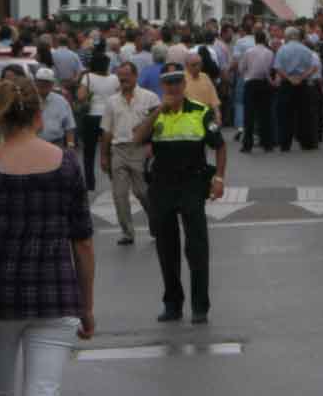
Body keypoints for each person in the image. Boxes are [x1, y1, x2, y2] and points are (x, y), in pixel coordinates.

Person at [0, 79, 95, 396]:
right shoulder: (67, 164)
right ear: (38, 116)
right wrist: (87, 305)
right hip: (56, 295)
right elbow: (82, 241)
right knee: (43, 389)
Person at [135, 63, 226, 325]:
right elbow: (137, 138)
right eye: (168, 84)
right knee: (166, 248)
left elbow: (219, 146)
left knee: (196, 247)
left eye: (177, 83)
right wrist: (157, 113)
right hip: (162, 185)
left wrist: (218, 178)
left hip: (191, 183)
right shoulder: (157, 113)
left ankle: (200, 307)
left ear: (184, 86)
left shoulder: (201, 112)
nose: (173, 88)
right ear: (163, 87)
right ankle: (172, 304)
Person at [100, 62, 160, 245]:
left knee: (143, 192)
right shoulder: (112, 101)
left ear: (135, 76)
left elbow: (159, 126)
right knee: (119, 195)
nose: (123, 79)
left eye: (126, 76)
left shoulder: (150, 98)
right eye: (120, 77)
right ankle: (127, 233)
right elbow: (107, 131)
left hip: (141, 150)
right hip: (118, 150)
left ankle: (156, 226)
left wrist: (152, 145)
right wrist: (104, 156)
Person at [74, 53, 119, 192]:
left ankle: (90, 183)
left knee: (89, 152)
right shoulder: (115, 78)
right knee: (111, 151)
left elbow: (80, 97)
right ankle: (115, 179)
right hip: (110, 117)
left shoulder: (87, 78)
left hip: (92, 117)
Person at [273, 27, 319, 151]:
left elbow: (277, 67)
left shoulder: (282, 49)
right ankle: (306, 142)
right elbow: (314, 67)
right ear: (298, 36)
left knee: (285, 115)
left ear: (287, 37)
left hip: (287, 84)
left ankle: (285, 143)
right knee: (304, 114)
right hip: (302, 84)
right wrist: (302, 77)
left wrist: (288, 78)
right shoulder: (306, 50)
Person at [240, 30, 274, 153]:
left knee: (249, 115)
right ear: (264, 40)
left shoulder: (248, 52)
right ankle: (267, 143)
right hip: (264, 83)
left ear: (255, 40)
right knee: (265, 114)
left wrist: (246, 75)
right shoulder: (270, 53)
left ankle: (247, 144)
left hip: (250, 83)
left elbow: (242, 68)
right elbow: (271, 68)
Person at [34, 67, 76, 149]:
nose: (43, 84)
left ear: (52, 84)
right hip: (33, 145)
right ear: (36, 82)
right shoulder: (28, 99)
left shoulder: (61, 101)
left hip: (55, 144)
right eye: (40, 81)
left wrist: (70, 146)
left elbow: (69, 126)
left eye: (47, 82)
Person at [184, 53, 222, 125]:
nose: (197, 67)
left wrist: (218, 115)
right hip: (188, 119)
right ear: (186, 65)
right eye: (194, 65)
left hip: (206, 118)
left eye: (199, 64)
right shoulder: (181, 80)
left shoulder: (205, 77)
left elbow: (214, 99)